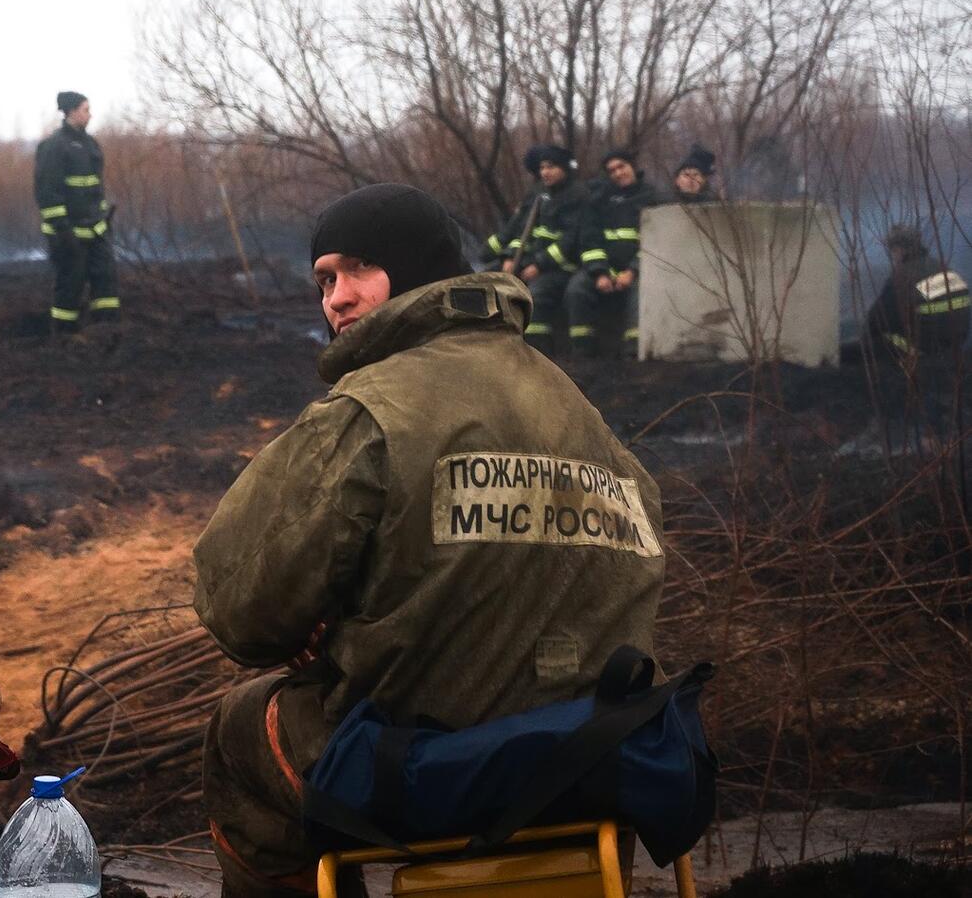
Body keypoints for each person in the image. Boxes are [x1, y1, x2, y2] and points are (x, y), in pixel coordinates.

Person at [194, 184, 665, 898]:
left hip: (435, 771)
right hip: (596, 766)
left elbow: (241, 612)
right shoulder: (577, 409)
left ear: (417, 272)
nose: (337, 299)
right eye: (324, 280)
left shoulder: (368, 412)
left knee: (238, 734)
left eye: (357, 270)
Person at [481, 144, 587, 354]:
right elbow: (525, 232)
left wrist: (539, 264)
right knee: (486, 280)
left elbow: (571, 239)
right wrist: (511, 257)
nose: (544, 172)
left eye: (550, 167)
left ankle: (538, 354)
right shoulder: (541, 195)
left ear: (564, 168)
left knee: (535, 295)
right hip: (534, 261)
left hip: (562, 267)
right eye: (542, 167)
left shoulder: (578, 195)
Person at [566, 149, 664, 358]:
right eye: (612, 171)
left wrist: (632, 271)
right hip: (605, 267)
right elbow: (589, 240)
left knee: (640, 293)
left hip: (641, 269)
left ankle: (634, 353)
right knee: (576, 289)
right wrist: (601, 272)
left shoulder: (653, 198)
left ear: (633, 166)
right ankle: (582, 352)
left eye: (622, 167)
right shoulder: (599, 200)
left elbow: (656, 244)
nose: (618, 173)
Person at [34, 91, 118, 333]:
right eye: (85, 109)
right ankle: (63, 334)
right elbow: (47, 192)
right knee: (71, 282)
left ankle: (106, 330)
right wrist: (62, 229)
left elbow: (95, 190)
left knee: (106, 278)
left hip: (96, 229)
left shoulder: (90, 145)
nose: (90, 115)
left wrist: (104, 221)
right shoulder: (54, 146)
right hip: (67, 233)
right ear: (71, 111)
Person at [867, 225, 970, 360]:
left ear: (898, 249)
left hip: (924, 347)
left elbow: (877, 319)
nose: (892, 256)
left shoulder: (904, 275)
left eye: (892, 250)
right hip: (956, 342)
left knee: (876, 338)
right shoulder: (942, 267)